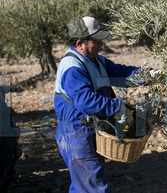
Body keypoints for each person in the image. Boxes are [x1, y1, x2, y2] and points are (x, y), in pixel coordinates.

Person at [54, 16, 138, 193]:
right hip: (76, 134)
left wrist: (150, 75)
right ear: (80, 43)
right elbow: (85, 101)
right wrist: (117, 107)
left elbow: (120, 73)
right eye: (96, 40)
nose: (101, 44)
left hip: (90, 131)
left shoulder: (96, 59)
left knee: (85, 186)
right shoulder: (72, 67)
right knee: (92, 188)